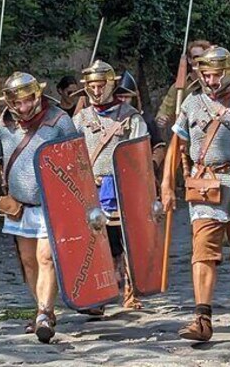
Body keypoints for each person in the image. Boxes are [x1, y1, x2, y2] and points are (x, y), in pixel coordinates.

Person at [160, 46, 230, 342]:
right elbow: (177, 146)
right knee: (202, 253)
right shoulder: (192, 103)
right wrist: (167, 184)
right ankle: (202, 319)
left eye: (216, 74)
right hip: (205, 184)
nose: (210, 80)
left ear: (229, 73)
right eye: (206, 74)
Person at [0, 72, 76, 343]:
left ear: (37, 96)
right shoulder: (3, 127)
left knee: (45, 257)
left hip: (51, 205)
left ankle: (43, 313)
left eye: (28, 101)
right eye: (19, 103)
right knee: (28, 261)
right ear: (11, 102)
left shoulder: (59, 122)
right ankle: (43, 308)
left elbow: (77, 163)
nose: (24, 108)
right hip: (19, 206)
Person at [73, 61, 148, 311]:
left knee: (123, 240)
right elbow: (71, 153)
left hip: (119, 186)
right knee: (95, 243)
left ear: (111, 84)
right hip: (89, 186)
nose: (96, 90)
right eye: (91, 86)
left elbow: (139, 154)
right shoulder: (80, 118)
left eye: (100, 85)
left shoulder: (129, 116)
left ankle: (129, 289)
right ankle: (97, 294)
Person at [155, 40, 210, 134]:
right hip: (187, 137)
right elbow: (166, 108)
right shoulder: (180, 87)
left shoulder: (216, 84)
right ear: (189, 60)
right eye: (195, 57)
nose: (199, 61)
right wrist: (162, 118)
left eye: (202, 57)